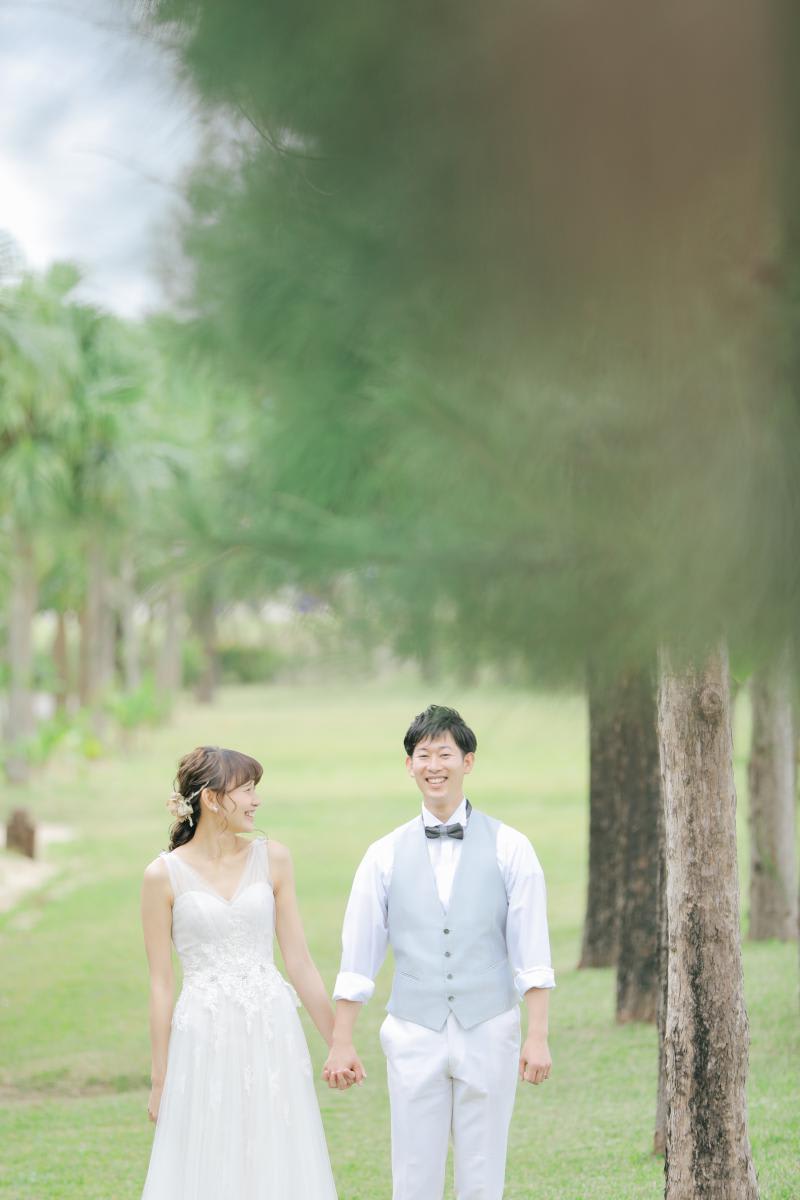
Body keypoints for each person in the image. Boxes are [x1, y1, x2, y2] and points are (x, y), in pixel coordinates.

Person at [324, 704, 554, 1200]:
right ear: (409, 765)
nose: (434, 766)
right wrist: (341, 1040)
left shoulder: (511, 847)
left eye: (445, 754)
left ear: (467, 762)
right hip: (413, 1030)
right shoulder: (382, 855)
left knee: (483, 1172)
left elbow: (532, 951)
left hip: (489, 1027)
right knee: (413, 1173)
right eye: (423, 755)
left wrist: (537, 1035)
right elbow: (358, 957)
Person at [140, 745, 343, 1199]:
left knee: (274, 1147)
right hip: (202, 1033)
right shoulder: (162, 876)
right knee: (209, 1152)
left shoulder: (274, 859)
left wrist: (339, 1042)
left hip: (271, 1028)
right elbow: (161, 984)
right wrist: (160, 1079)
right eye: (247, 790)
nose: (256, 800)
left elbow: (300, 962)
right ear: (212, 799)